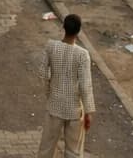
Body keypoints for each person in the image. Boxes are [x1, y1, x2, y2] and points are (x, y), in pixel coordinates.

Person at [37, 13, 95, 158]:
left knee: (46, 148)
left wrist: (48, 93)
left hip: (54, 105)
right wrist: (88, 112)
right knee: (73, 151)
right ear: (79, 31)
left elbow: (42, 74)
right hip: (74, 109)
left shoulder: (51, 46)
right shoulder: (82, 55)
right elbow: (85, 85)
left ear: (63, 27)